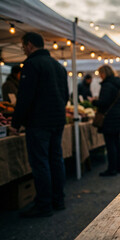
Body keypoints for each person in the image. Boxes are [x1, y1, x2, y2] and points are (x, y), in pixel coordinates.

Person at [10, 32, 69, 218]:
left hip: (39, 122)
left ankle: (44, 204)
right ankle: (58, 200)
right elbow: (65, 95)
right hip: (57, 120)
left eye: (23, 46)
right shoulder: (58, 67)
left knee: (41, 163)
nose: (23, 50)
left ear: (29, 45)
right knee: (56, 160)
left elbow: (25, 98)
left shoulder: (31, 64)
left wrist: (16, 123)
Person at [92, 65, 120, 177]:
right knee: (116, 142)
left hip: (110, 118)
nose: (100, 76)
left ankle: (112, 169)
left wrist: (94, 102)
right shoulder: (118, 84)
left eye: (100, 73)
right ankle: (119, 167)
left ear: (104, 73)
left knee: (110, 144)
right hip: (118, 116)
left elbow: (104, 102)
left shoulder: (107, 85)